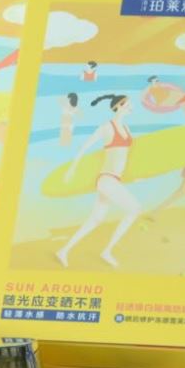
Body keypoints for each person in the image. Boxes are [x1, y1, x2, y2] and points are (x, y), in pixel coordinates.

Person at [57, 94, 141, 269]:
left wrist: (136, 175)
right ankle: (107, 251)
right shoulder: (107, 127)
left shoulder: (127, 128)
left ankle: (63, 250)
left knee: (96, 219)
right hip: (106, 179)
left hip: (115, 179)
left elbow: (127, 156)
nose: (131, 107)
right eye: (128, 105)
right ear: (118, 106)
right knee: (135, 209)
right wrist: (72, 169)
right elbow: (85, 146)